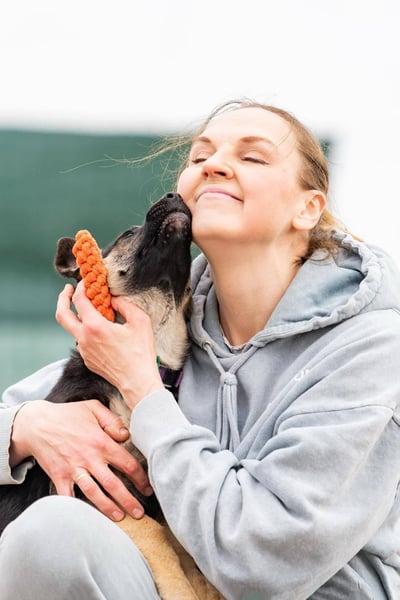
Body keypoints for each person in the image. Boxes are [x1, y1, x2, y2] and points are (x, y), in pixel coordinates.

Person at [1, 98, 400, 600]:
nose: (214, 165)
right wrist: (26, 427)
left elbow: (264, 563)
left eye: (252, 156)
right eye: (199, 157)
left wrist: (144, 392)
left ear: (308, 208)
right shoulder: (164, 326)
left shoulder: (370, 349)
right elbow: (25, 414)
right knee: (51, 534)